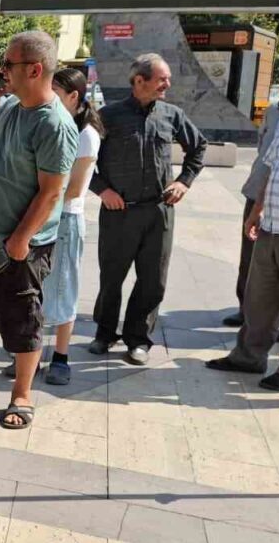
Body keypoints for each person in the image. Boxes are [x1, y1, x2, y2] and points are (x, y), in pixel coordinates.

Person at [0, 30, 78, 429]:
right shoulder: (14, 106)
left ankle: (22, 394)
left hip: (25, 242)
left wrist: (21, 238)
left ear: (34, 69)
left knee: (23, 316)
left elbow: (51, 193)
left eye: (8, 64)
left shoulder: (55, 124)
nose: (2, 70)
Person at [88, 53, 206, 365]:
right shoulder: (108, 116)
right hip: (118, 212)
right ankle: (104, 333)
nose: (167, 84)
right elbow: (82, 157)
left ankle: (138, 339)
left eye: (168, 79)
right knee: (112, 276)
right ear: (139, 80)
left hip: (158, 211)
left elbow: (199, 147)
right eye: (162, 79)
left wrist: (183, 182)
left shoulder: (172, 115)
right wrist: (102, 190)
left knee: (153, 279)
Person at [209, 54, 279, 390]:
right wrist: (257, 210)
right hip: (272, 227)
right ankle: (248, 356)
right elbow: (271, 168)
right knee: (260, 299)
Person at [34, 68, 102, 386]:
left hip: (65, 220)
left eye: (57, 93)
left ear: (74, 96)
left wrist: (41, 195)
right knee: (37, 291)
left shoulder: (86, 134)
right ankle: (31, 355)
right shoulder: (54, 124)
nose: (50, 98)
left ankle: (61, 357)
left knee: (62, 290)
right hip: (43, 215)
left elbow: (74, 190)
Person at [224, 98, 279, 327]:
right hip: (257, 192)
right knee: (249, 258)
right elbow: (263, 148)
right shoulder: (273, 111)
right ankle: (246, 310)